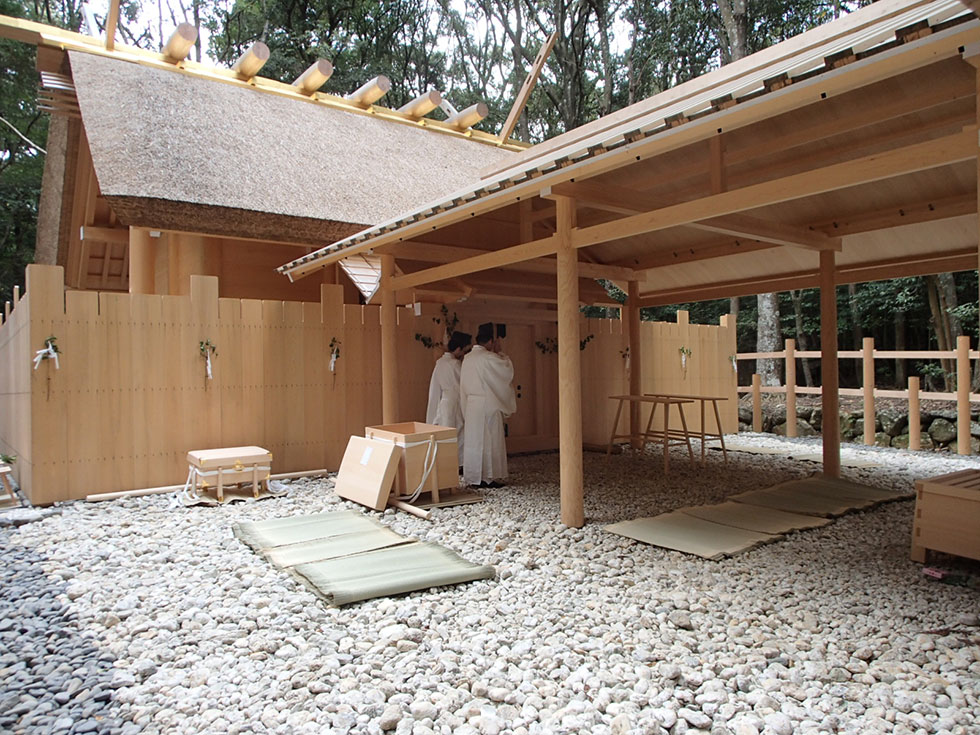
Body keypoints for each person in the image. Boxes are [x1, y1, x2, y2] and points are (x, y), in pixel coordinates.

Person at [460, 322, 516, 488]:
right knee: (489, 439)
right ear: (491, 341)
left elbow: (462, 385)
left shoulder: (468, 358)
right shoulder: (488, 357)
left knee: (474, 440)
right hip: (487, 403)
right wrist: (501, 352)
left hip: (471, 404)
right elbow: (505, 370)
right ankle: (488, 477)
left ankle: (473, 477)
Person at [426, 331, 471, 465]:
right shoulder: (455, 364)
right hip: (455, 400)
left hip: (444, 401)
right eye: (464, 350)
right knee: (459, 431)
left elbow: (435, 386)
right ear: (458, 349)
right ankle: (459, 463)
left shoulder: (440, 363)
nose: (464, 354)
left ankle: (447, 463)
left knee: (447, 432)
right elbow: (463, 384)